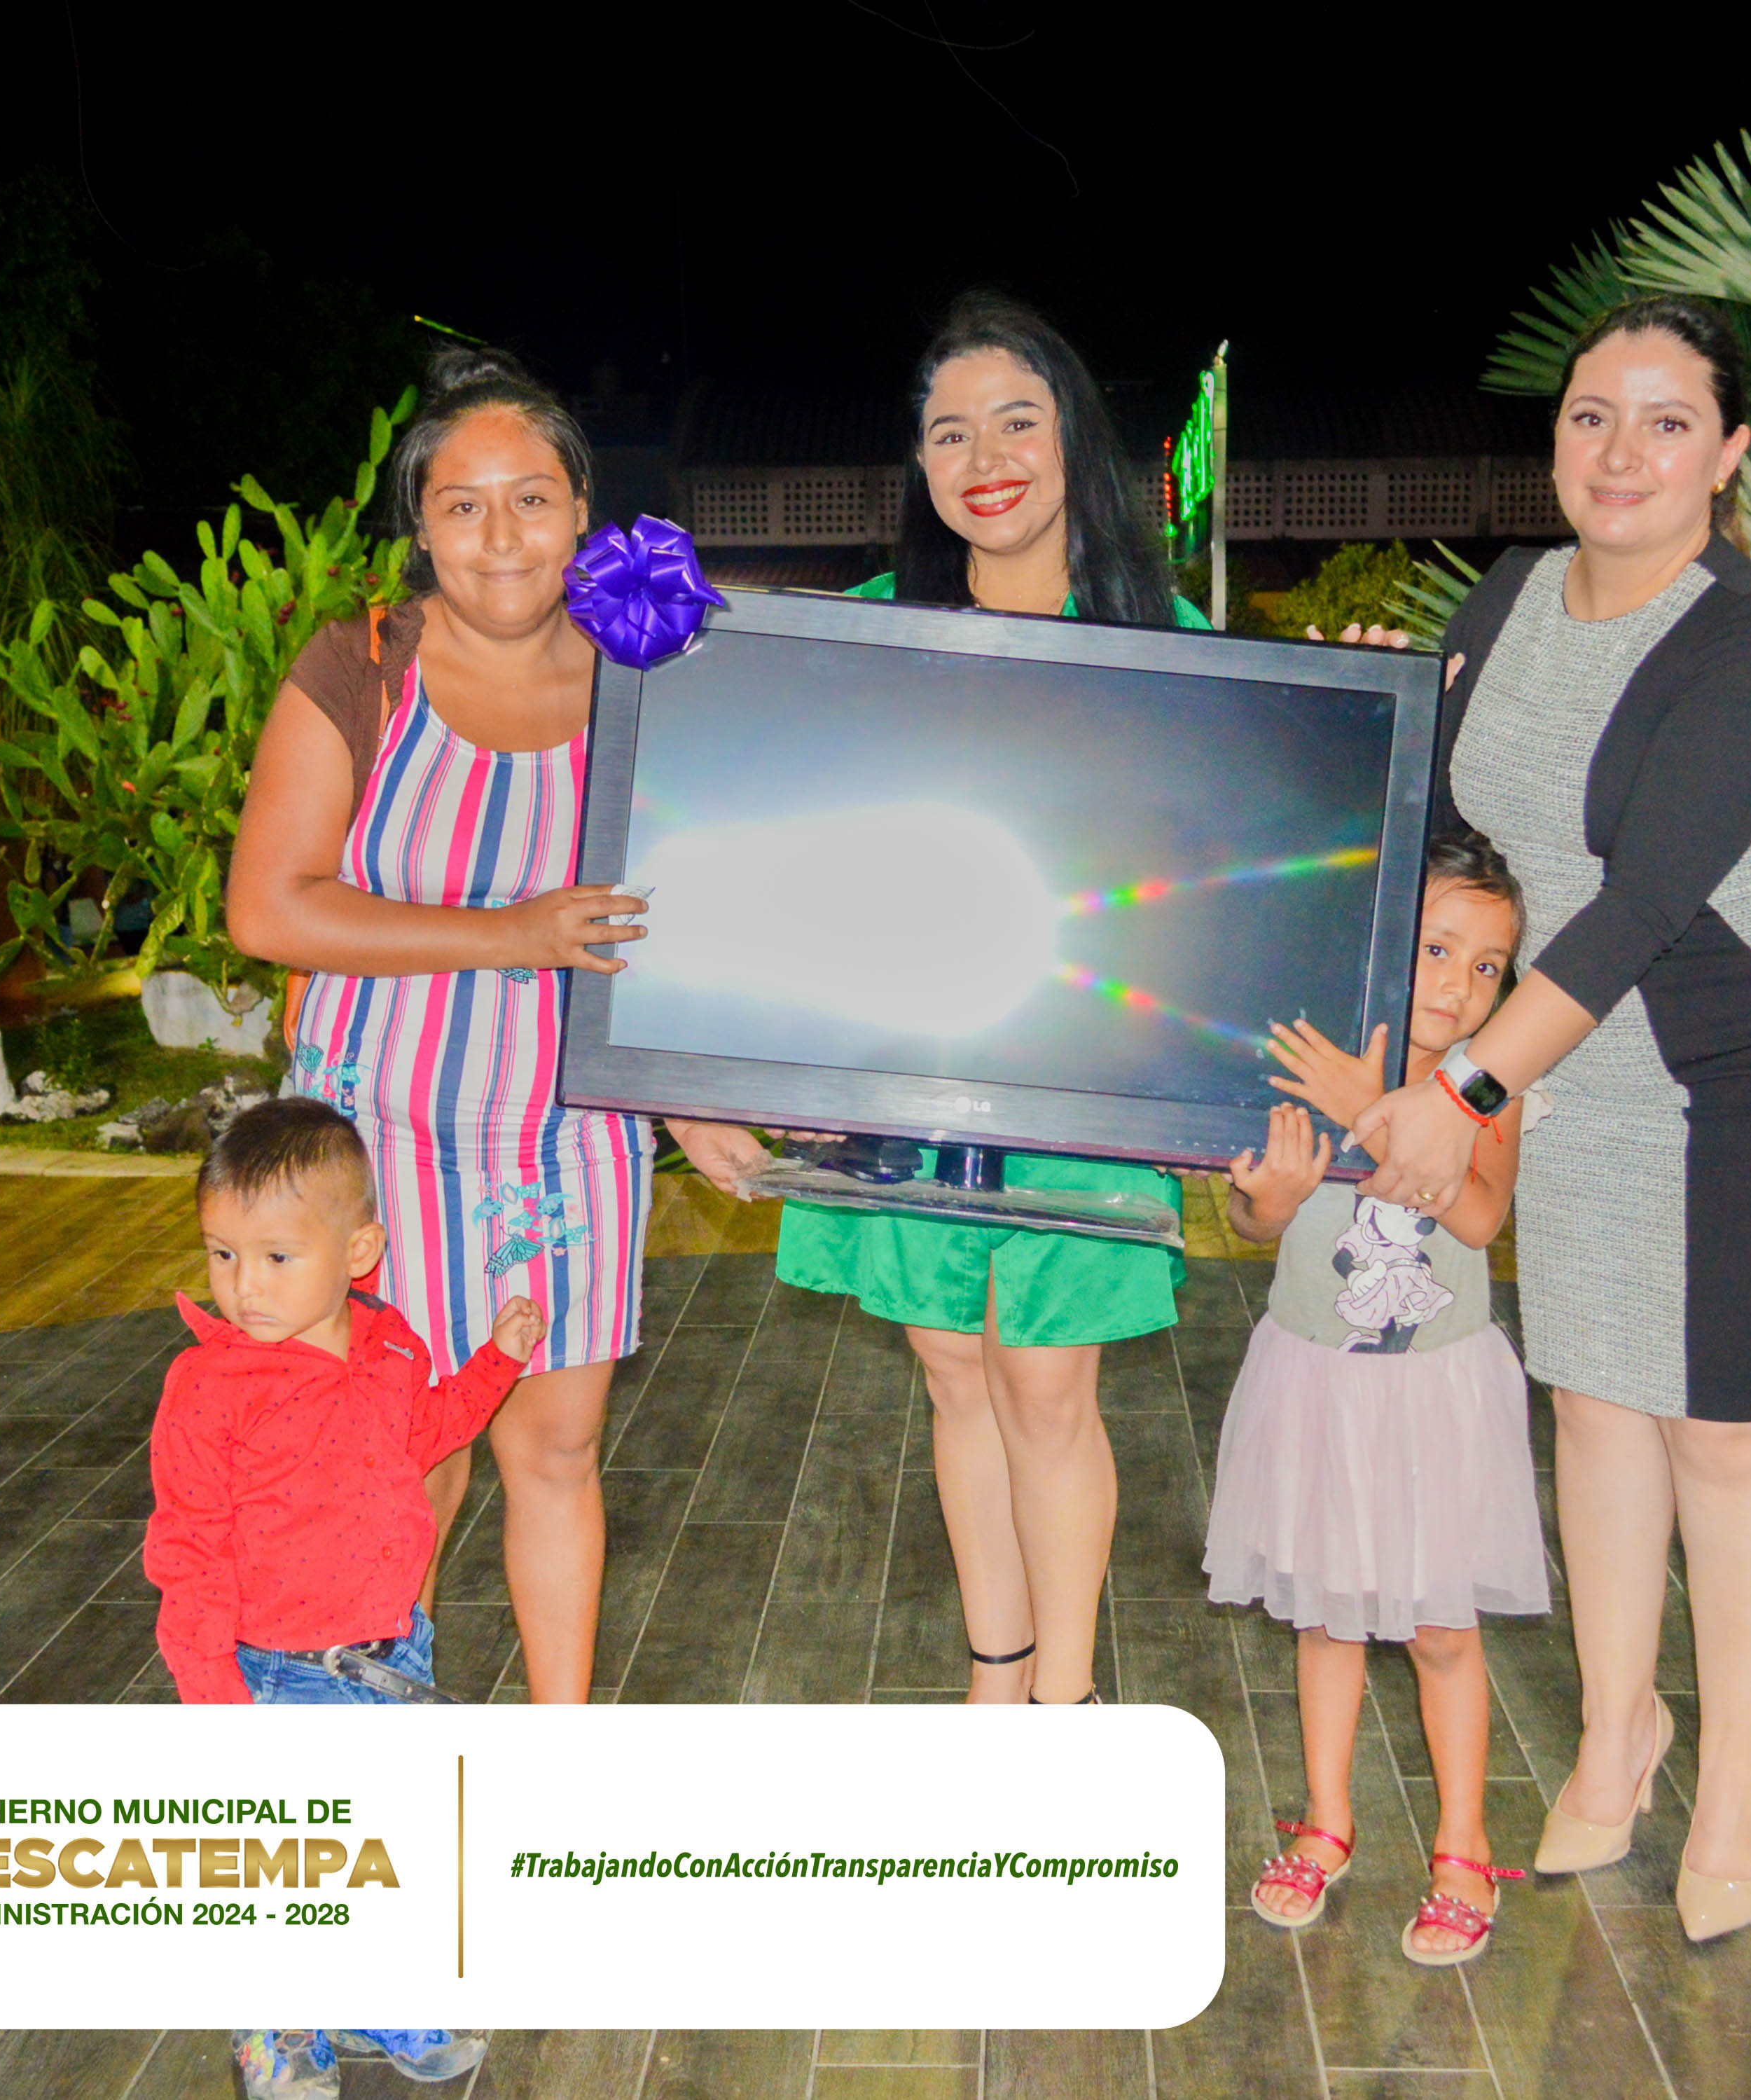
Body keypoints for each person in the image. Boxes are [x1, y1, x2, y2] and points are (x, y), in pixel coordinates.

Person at [1347, 297, 1751, 1944]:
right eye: (1590, 415)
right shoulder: (1506, 595)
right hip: (1567, 1059)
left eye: (1666, 422)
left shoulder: (1750, 641)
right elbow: (1453, 828)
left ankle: (1736, 1770)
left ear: (1726, 455)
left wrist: (1461, 1090)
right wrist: (1380, 710)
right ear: (1555, 438)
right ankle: (1615, 1731)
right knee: (1589, 1404)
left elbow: (1640, 898)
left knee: (1720, 1431)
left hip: (1748, 1066)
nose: (1620, 451)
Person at [667, 294, 1205, 1706]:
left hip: (1085, 1073)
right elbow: (718, 803)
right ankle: (996, 1679)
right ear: (918, 465)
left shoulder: (1166, 638)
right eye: (949, 433)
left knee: (1045, 1382)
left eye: (1016, 421)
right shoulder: (861, 634)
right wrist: (687, 1069)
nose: (985, 458)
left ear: (1072, 438)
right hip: (900, 1068)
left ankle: (1066, 1705)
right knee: (955, 1371)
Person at [225, 347, 651, 1704]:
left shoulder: (646, 674)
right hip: (379, 1140)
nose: (500, 534)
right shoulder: (362, 665)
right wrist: (509, 934)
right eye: (462, 505)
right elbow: (268, 906)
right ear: (420, 525)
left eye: (531, 498)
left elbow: (685, 900)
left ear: (580, 510)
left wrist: (697, 1090)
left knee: (554, 1452)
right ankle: (381, 1731)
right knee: (402, 1455)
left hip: (568, 1137)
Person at [1203, 834, 1553, 1966]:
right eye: (1437, 949)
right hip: (1315, 1380)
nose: (1458, 986)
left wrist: (1378, 1109)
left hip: (1434, 1392)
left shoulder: (1487, 1079)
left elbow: (1481, 1214)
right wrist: (1269, 1200)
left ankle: (1463, 1845)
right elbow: (1252, 1219)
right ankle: (1325, 1819)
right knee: (1329, 1614)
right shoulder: (1315, 1055)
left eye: (1488, 965)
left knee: (1443, 1627)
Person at [142, 1098, 513, 2096]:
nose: (243, 1286)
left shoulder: (390, 1348)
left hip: (393, 1654)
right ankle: (277, 2024)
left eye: (275, 1257)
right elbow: (187, 1546)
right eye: (222, 1255)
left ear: (358, 1251)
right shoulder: (208, 1385)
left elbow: (420, 1437)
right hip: (280, 1673)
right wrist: (214, 1696)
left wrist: (496, 1365)